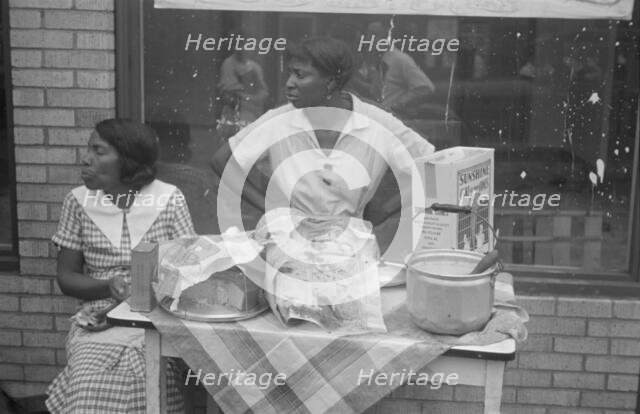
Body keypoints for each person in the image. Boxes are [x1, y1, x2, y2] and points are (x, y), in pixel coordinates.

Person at [46, 119, 196, 413]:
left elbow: (191, 269)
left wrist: (155, 289)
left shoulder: (169, 200)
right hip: (97, 319)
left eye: (99, 151)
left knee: (146, 375)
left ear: (127, 161)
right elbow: (66, 278)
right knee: (89, 381)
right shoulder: (77, 202)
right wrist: (108, 286)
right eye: (89, 149)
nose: (86, 158)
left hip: (157, 317)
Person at [211, 37, 435, 226]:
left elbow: (435, 168)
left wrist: (386, 210)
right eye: (290, 73)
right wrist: (271, 205)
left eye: (300, 75)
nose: (289, 83)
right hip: (289, 247)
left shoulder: (377, 124)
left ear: (330, 83)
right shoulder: (278, 121)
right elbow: (223, 160)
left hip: (351, 250)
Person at [365, 21, 435, 118]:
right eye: (369, 35)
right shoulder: (376, 59)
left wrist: (398, 105)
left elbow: (425, 87)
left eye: (375, 34)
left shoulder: (400, 59)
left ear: (387, 37)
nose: (370, 39)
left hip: (393, 120)